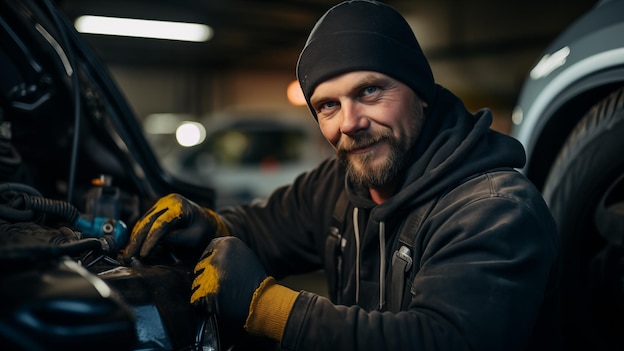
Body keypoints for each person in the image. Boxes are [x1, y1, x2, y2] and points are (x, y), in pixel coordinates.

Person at [122, 1, 561, 350]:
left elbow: (442, 339)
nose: (349, 122)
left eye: (369, 91)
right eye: (328, 105)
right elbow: (263, 229)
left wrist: (269, 307)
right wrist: (206, 225)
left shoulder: (494, 209)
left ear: (421, 94)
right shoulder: (337, 186)